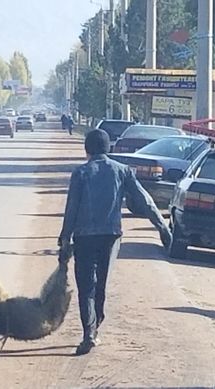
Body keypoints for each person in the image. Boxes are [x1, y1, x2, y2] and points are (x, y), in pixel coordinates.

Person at [58, 129, 172, 356]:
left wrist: (64, 239)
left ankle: (88, 333)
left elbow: (71, 209)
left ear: (87, 149)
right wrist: (162, 226)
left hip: (84, 237)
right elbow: (145, 200)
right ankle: (96, 326)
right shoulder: (122, 171)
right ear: (108, 148)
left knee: (85, 287)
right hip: (111, 235)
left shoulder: (81, 173)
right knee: (101, 284)